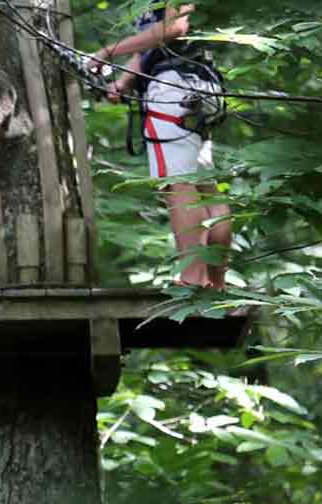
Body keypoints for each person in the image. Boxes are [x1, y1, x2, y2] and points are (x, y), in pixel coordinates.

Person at [90, 1, 232, 289]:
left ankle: (192, 281)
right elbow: (151, 46)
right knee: (205, 188)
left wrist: (107, 52)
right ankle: (216, 283)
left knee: (177, 185)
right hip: (199, 86)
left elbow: (174, 27)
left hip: (172, 88)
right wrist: (125, 82)